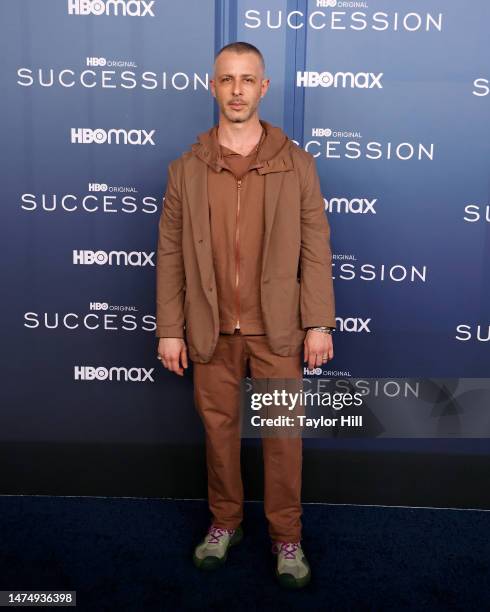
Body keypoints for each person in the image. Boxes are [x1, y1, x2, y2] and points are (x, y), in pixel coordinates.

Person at [155, 41, 336, 589]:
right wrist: (169, 329)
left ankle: (287, 535)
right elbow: (169, 253)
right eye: (226, 79)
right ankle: (224, 523)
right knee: (218, 436)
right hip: (210, 331)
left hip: (278, 331)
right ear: (213, 87)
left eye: (247, 79)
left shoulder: (298, 164)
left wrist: (319, 323)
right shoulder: (185, 169)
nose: (237, 90)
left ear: (263, 87)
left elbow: (315, 247)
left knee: (283, 441)